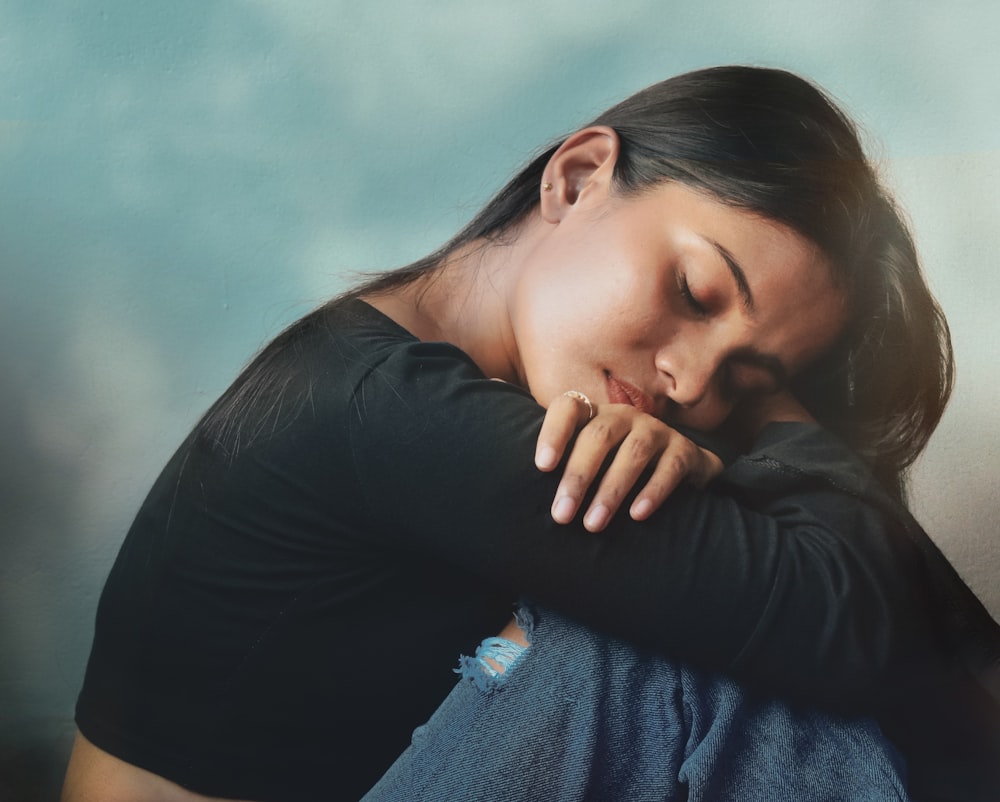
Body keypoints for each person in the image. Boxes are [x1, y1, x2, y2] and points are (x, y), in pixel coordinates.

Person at [61, 66, 999, 801]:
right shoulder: (398, 409)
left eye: (749, 379)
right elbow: (838, 621)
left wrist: (737, 453)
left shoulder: (423, 367)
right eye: (697, 292)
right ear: (579, 177)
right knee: (667, 658)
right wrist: (786, 422)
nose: (692, 379)